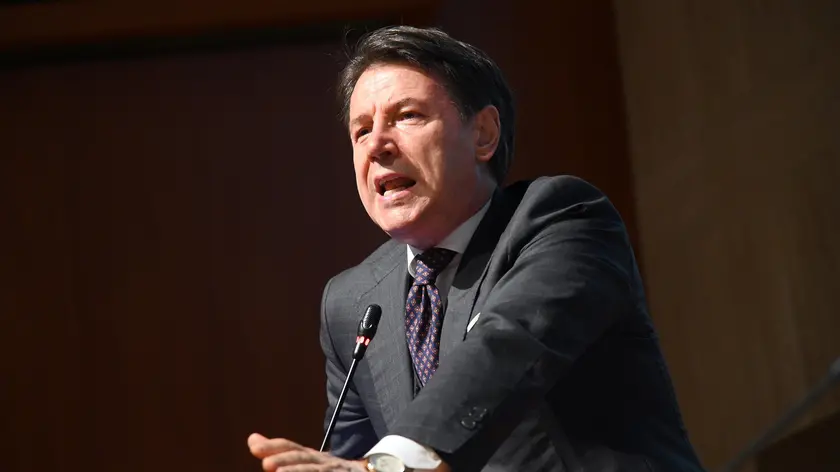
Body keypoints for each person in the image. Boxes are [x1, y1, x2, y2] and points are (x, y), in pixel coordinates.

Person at [247, 25, 705, 472]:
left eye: (407, 116)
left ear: (483, 133)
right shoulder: (349, 301)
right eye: (362, 130)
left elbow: (507, 345)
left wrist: (389, 466)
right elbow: (349, 462)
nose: (378, 146)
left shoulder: (561, 220)